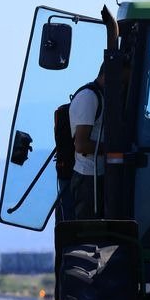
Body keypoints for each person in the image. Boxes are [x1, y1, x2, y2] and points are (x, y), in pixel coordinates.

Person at [69, 66, 106, 219]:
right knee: (88, 235)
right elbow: (81, 144)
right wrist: (117, 148)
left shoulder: (102, 96)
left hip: (99, 174)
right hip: (88, 178)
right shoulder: (89, 97)